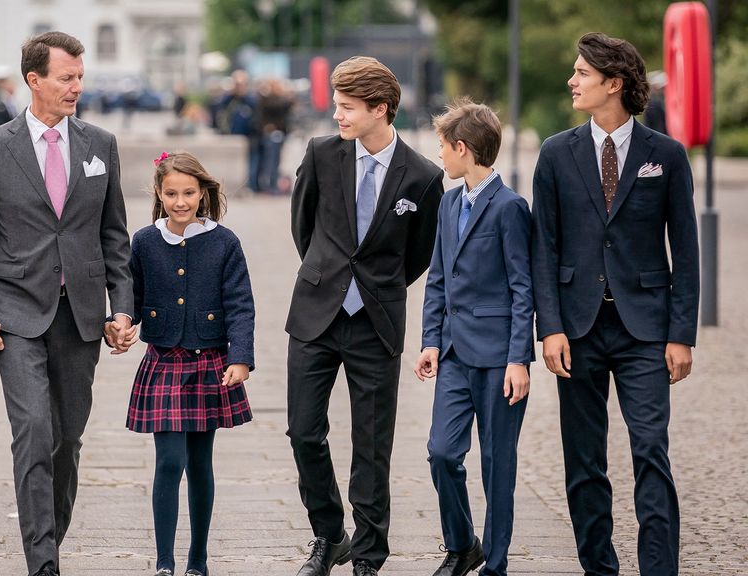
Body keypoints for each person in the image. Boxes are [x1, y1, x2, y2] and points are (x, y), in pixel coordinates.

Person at [0, 31, 133, 576]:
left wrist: (122, 308)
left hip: (80, 315)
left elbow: (115, 236)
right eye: (66, 78)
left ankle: (49, 536)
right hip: (17, 313)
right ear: (34, 80)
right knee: (34, 428)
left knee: (67, 440)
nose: (76, 87)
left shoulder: (100, 145)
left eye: (80, 77)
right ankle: (43, 563)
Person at [531, 33, 698, 576]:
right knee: (584, 461)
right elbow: (544, 247)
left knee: (651, 450)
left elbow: (687, 250)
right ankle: (598, 567)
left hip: (646, 330)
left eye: (582, 73)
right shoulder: (556, 153)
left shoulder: (665, 155)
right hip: (576, 330)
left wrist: (681, 334)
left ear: (615, 83)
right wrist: (549, 327)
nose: (572, 81)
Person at [286, 56, 443, 576]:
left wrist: (374, 288)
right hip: (316, 314)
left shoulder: (423, 177)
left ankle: (370, 555)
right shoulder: (321, 154)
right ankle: (330, 535)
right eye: (337, 105)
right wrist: (327, 275)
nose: (337, 116)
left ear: (381, 109)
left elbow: (420, 255)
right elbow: (303, 228)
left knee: (372, 444)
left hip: (376, 322)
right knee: (304, 431)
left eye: (348, 108)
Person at [414, 99, 533, 576]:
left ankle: (496, 565)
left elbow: (524, 287)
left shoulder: (510, 208)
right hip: (454, 355)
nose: (439, 155)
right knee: (442, 452)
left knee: (496, 464)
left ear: (463, 148)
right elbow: (438, 278)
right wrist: (429, 340)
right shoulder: (447, 203)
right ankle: (463, 544)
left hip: (501, 359)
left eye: (442, 147)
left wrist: (519, 359)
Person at [122, 151, 255, 576]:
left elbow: (240, 304)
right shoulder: (144, 240)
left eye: (189, 193)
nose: (180, 201)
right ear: (159, 195)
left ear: (203, 193)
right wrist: (123, 323)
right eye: (171, 193)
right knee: (169, 461)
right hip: (162, 362)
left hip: (210, 363)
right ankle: (164, 562)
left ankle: (198, 560)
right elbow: (133, 297)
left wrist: (241, 358)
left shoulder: (225, 241)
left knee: (200, 463)